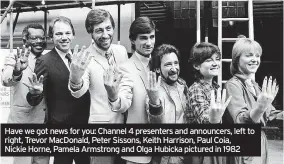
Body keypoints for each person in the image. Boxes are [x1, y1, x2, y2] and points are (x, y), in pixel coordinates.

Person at [26, 16, 90, 164]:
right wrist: (35, 94)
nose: (64, 38)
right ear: (51, 37)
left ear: (73, 35)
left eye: (67, 33)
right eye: (59, 34)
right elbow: (36, 94)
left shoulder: (81, 56)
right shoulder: (45, 61)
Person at [68, 8, 128, 164]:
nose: (105, 34)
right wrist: (75, 77)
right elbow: (79, 92)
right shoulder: (86, 57)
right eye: (99, 31)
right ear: (91, 32)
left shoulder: (121, 51)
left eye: (108, 28)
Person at [103, 16, 156, 164]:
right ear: (133, 40)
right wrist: (113, 96)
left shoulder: (160, 63)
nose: (149, 43)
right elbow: (124, 102)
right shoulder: (126, 68)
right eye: (143, 38)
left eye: (152, 37)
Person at [225, 38, 283, 164]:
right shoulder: (232, 85)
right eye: (249, 55)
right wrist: (260, 107)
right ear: (236, 59)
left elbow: (272, 114)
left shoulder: (254, 85)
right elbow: (241, 120)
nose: (255, 60)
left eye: (257, 56)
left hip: (259, 144)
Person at [1, 23, 49, 164]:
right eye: (34, 38)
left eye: (42, 37)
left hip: (45, 125)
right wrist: (17, 71)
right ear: (24, 40)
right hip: (22, 124)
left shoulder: (49, 59)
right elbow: (6, 80)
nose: (39, 41)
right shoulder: (14, 57)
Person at [186, 42, 231, 164]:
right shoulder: (196, 89)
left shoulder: (216, 88)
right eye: (209, 60)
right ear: (196, 65)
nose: (215, 63)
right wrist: (214, 118)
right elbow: (204, 119)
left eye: (217, 59)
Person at [145, 44, 189, 164]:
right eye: (168, 64)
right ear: (158, 69)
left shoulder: (183, 86)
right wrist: (154, 102)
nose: (174, 68)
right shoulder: (153, 90)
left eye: (176, 63)